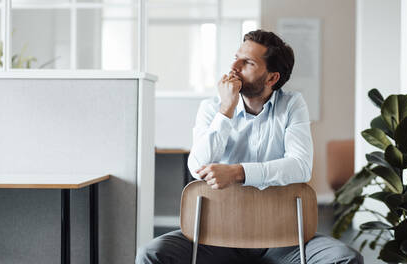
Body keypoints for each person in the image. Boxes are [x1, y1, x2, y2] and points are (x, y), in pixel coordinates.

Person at [136, 30, 363, 264]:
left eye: (248, 62)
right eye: (236, 57)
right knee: (151, 255)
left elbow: (301, 166)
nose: (234, 66)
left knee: (345, 258)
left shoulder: (292, 104)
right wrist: (226, 110)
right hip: (217, 238)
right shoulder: (211, 107)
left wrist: (237, 173)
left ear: (272, 78)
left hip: (282, 240)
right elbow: (196, 167)